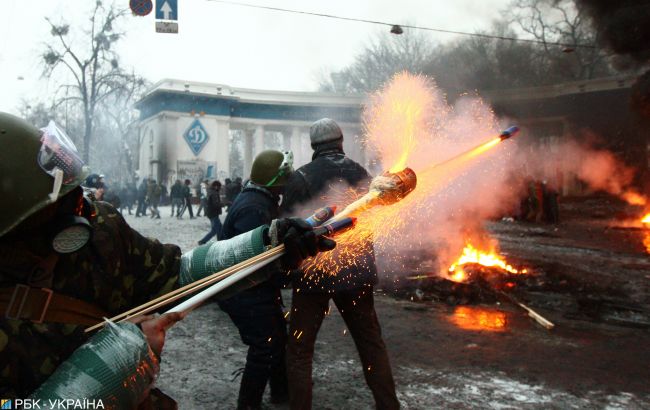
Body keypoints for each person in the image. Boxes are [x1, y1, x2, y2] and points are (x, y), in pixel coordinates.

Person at [0, 112, 336, 405]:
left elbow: (177, 272)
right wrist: (104, 376)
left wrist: (267, 245)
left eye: (75, 192)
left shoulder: (101, 229)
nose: (83, 209)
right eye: (62, 205)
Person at [281, 118, 400, 410]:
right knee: (370, 343)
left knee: (300, 349)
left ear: (313, 145)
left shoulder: (301, 177)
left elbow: (286, 227)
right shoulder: (362, 174)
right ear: (340, 141)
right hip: (356, 270)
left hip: (314, 272)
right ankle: (388, 406)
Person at [219, 150, 295, 410]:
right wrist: (287, 270)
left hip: (257, 288)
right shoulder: (254, 207)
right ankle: (248, 404)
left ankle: (281, 393)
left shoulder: (261, 199)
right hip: (243, 289)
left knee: (277, 338)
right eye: (284, 176)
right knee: (265, 346)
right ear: (274, 179)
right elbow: (253, 257)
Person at [198, 180, 224, 245]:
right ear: (216, 186)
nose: (220, 188)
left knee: (219, 228)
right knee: (215, 230)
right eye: (219, 187)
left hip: (210, 212)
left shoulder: (210, 191)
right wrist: (223, 204)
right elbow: (216, 204)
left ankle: (220, 241)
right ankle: (203, 241)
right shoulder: (214, 193)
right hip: (213, 213)